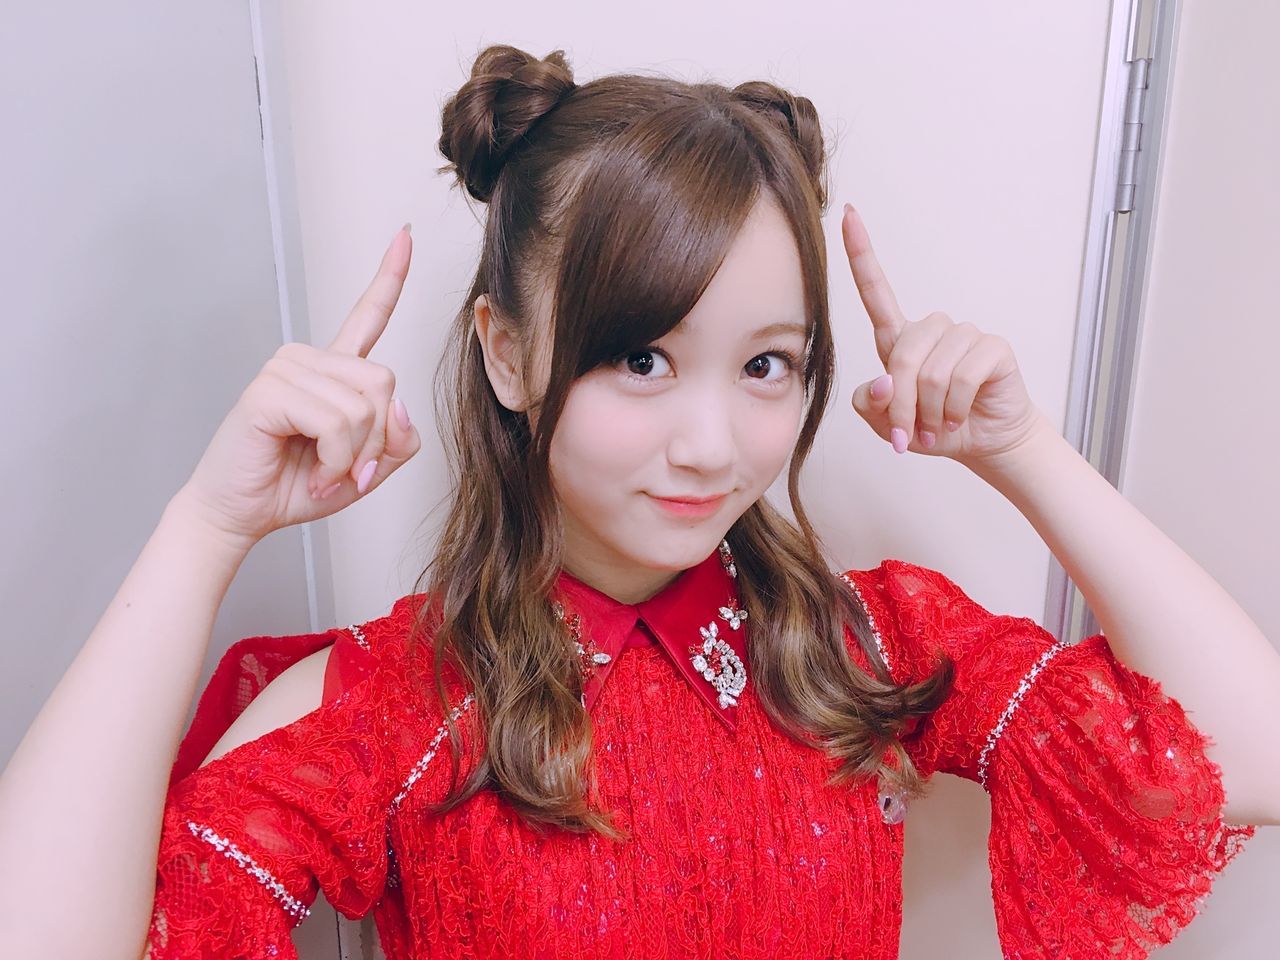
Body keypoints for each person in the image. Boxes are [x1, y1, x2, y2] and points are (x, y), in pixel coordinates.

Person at [1, 42, 1273, 960]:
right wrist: (206, 528)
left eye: (765, 364)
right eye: (639, 357)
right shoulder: (395, 706)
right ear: (507, 354)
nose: (710, 446)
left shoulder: (856, 648)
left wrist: (1024, 448)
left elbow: (1242, 765)